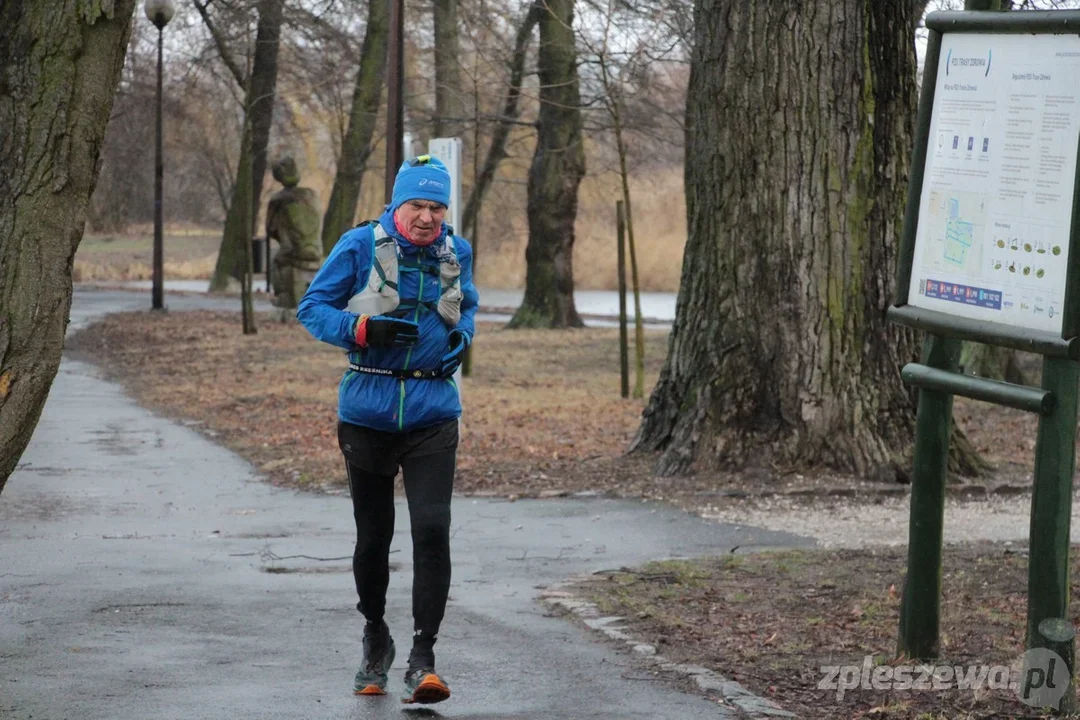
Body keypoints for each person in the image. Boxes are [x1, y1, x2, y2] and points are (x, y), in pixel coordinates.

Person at [296, 156, 478, 705]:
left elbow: (466, 307)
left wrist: (461, 341)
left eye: (437, 206)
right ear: (398, 205)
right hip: (368, 412)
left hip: (433, 412)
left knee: (432, 530)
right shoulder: (358, 246)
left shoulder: (455, 251)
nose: (427, 217)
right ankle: (376, 636)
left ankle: (424, 659)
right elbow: (312, 308)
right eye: (417, 205)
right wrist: (362, 327)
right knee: (374, 539)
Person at [265, 156, 322, 310]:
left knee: (276, 261)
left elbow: (270, 229)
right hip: (316, 251)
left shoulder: (278, 200)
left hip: (293, 252)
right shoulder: (312, 195)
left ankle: (284, 298)